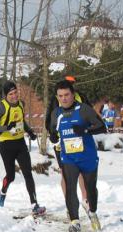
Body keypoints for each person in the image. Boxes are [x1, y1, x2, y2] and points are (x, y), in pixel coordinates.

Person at [50, 79, 106, 232]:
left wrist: (85, 130)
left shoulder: (84, 109)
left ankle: (92, 212)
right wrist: (53, 137)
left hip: (88, 158)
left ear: (73, 95)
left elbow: (102, 127)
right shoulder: (56, 113)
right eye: (60, 96)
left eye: (66, 95)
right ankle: (75, 221)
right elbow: (52, 131)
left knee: (90, 189)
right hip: (69, 158)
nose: (64, 99)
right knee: (70, 187)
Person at [0, 81, 45, 215]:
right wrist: (6, 128)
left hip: (20, 143)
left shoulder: (20, 104)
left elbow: (21, 121)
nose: (14, 96)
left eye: (15, 93)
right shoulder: (2, 107)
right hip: (6, 145)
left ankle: (34, 204)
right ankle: (3, 193)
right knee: (11, 176)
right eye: (11, 94)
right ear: (6, 95)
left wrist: (30, 132)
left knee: (28, 173)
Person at [45, 75, 91, 216]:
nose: (65, 94)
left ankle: (85, 200)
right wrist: (52, 133)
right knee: (66, 174)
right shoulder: (56, 100)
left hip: (79, 139)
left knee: (82, 171)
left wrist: (86, 129)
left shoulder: (81, 97)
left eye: (70, 85)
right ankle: (69, 203)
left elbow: (90, 115)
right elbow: (49, 118)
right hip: (62, 141)